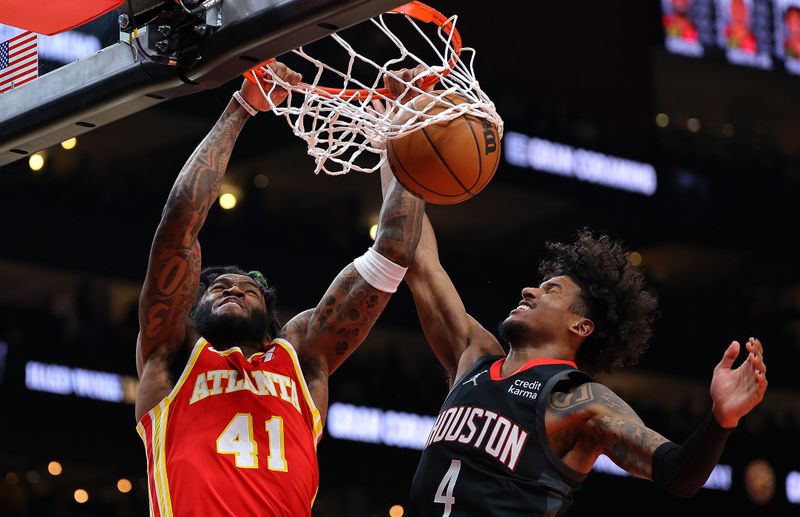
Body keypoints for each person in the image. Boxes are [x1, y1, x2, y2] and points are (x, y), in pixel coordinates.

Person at [370, 75, 766, 513]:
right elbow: (418, 260)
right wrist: (401, 128)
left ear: (582, 325)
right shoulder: (474, 357)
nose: (529, 290)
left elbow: (676, 473)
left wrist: (720, 420)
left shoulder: (579, 401)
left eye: (550, 289)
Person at [134, 61, 424, 516]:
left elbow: (393, 251)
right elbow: (180, 221)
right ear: (193, 310)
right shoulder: (171, 356)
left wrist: (406, 127)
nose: (232, 290)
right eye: (218, 288)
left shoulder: (301, 357)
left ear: (270, 315)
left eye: (247, 289)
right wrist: (241, 106)